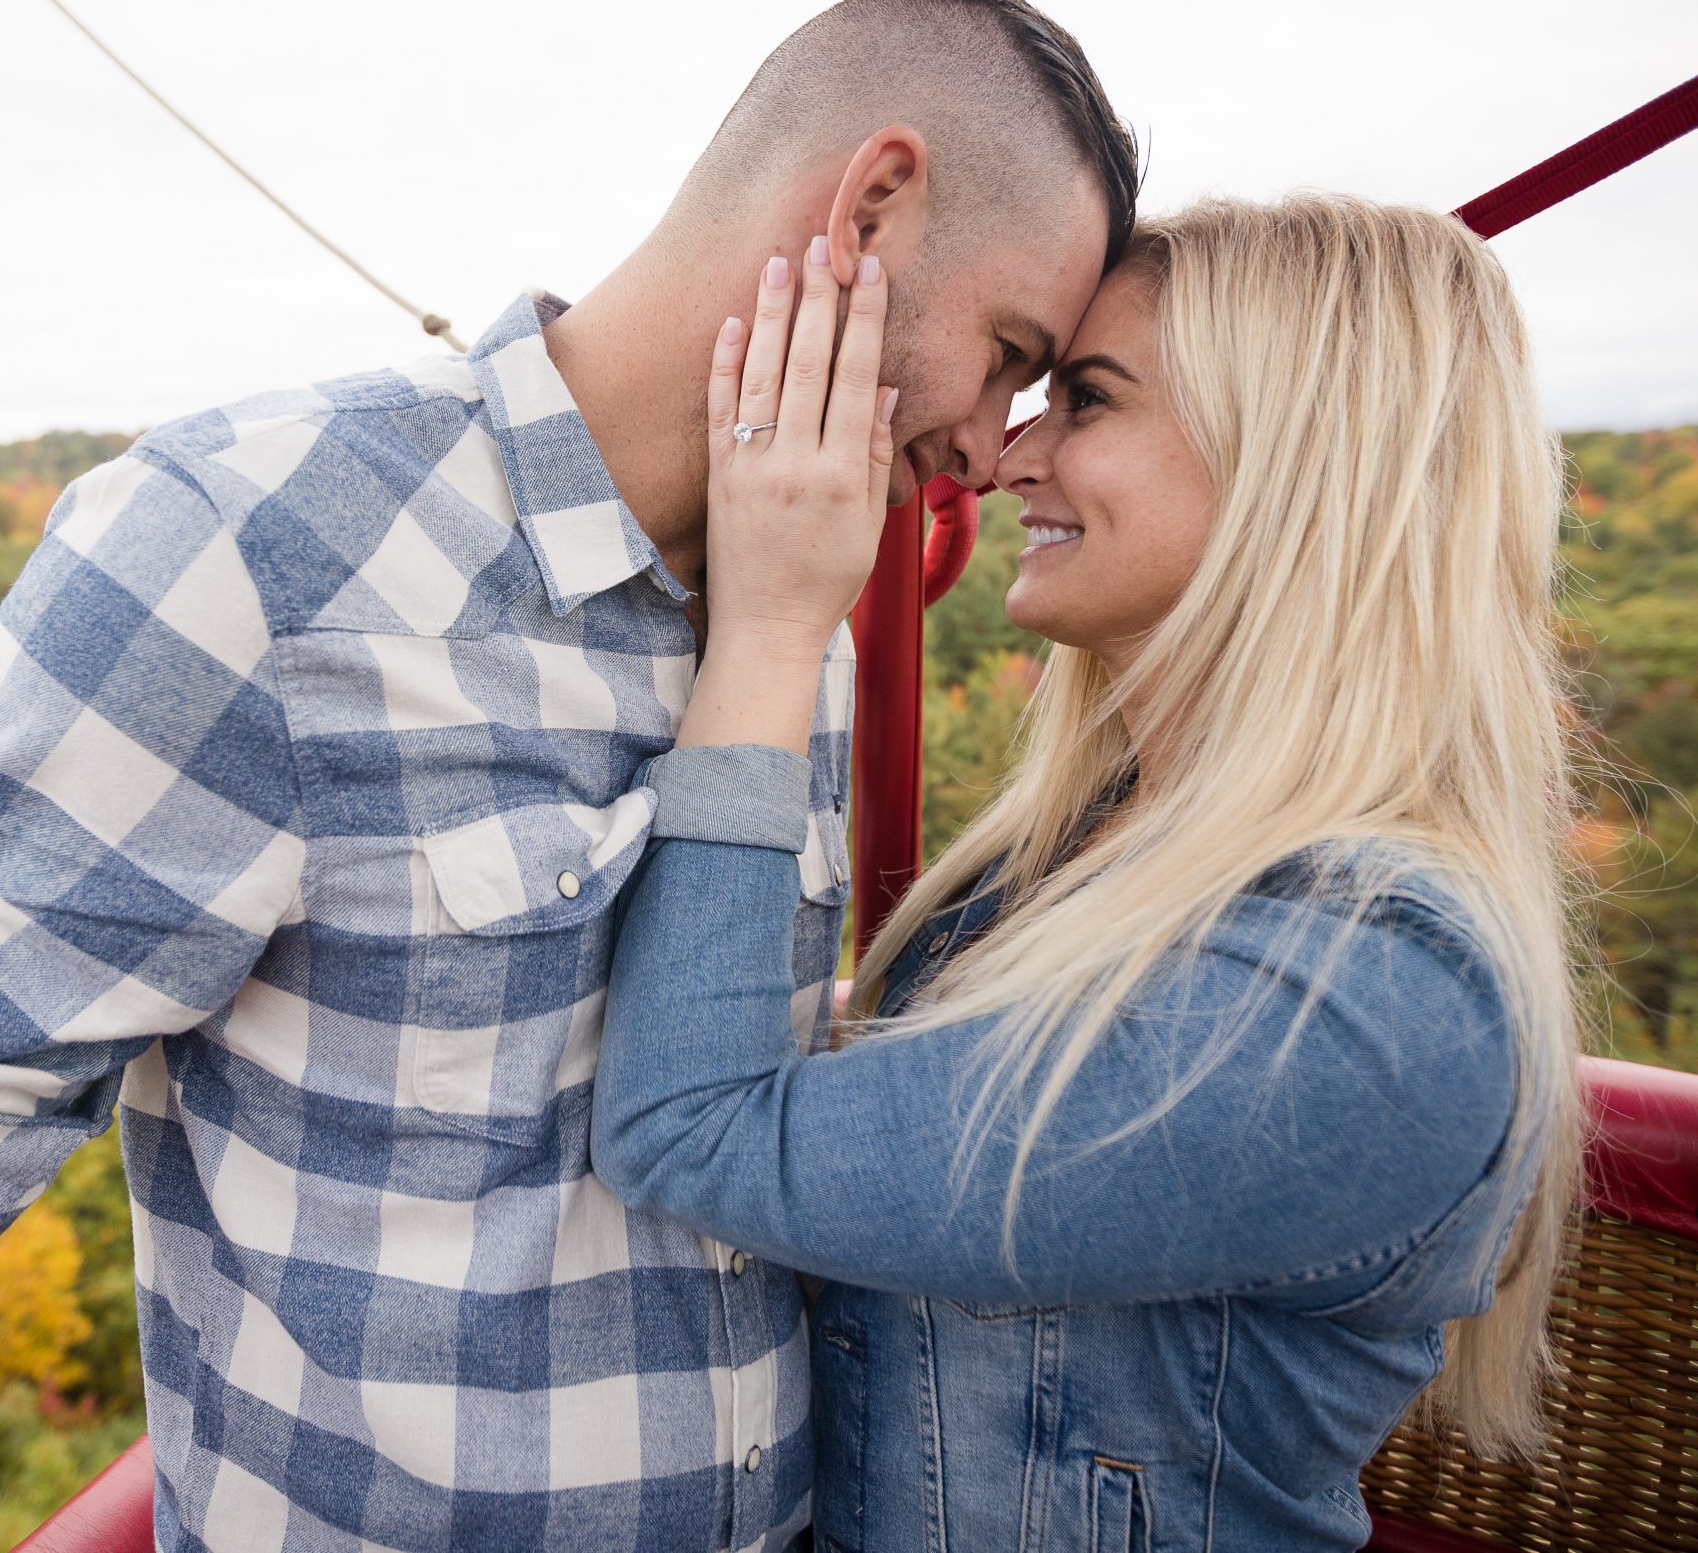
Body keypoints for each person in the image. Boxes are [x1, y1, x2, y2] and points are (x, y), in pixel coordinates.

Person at [0, 0, 1140, 1553]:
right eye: (1004, 354)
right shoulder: (254, 550)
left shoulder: (807, 611)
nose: (995, 453)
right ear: (869, 210)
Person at [591, 195, 1586, 1551]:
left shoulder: (1375, 994)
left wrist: (769, 628)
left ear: (1295, 462)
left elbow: (692, 1130)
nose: (1005, 457)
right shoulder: (1091, 849)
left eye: (1089, 400)